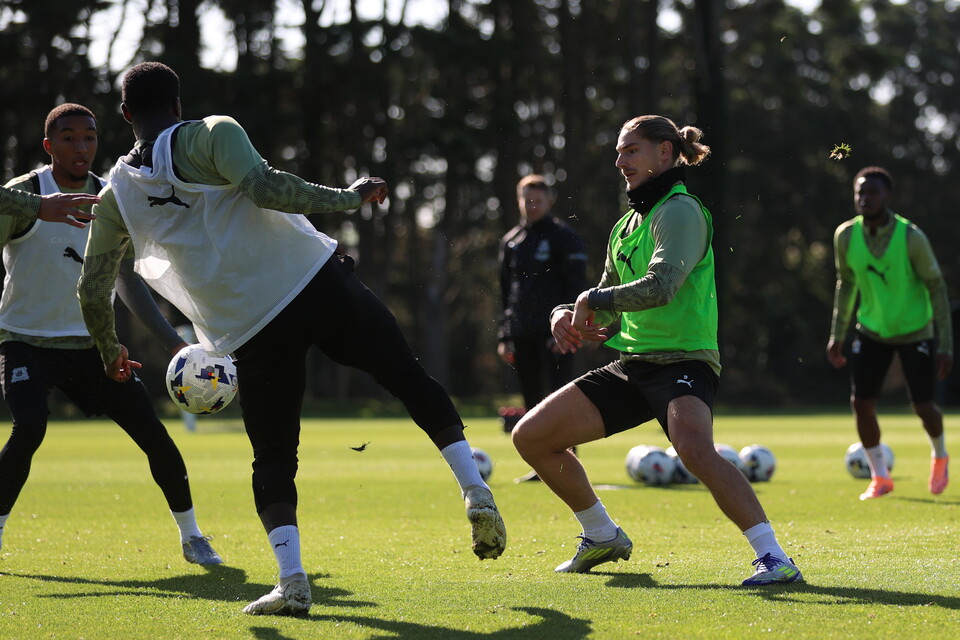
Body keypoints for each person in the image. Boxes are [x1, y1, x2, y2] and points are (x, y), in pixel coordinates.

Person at [77, 62, 506, 617]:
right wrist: (347, 197)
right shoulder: (212, 132)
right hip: (315, 281)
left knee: (274, 456)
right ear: (177, 104)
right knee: (408, 377)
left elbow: (94, 289)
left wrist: (110, 348)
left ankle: (293, 580)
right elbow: (267, 188)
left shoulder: (115, 197)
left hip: (252, 327)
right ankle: (474, 490)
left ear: (126, 115)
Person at [511, 115, 802, 586]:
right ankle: (601, 534)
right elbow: (606, 298)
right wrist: (564, 313)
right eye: (619, 152)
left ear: (664, 153)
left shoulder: (680, 210)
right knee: (531, 437)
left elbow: (662, 286)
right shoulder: (627, 223)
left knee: (694, 449)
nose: (620, 160)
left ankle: (774, 558)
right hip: (634, 364)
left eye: (631, 150)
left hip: (684, 359)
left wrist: (593, 301)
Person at [0, 103, 221, 565]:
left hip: (94, 349)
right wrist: (40, 210)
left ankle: (193, 536)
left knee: (154, 435)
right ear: (48, 145)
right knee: (30, 427)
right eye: (68, 138)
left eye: (89, 138)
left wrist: (174, 345)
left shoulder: (112, 200)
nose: (81, 147)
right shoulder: (24, 195)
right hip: (25, 342)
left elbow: (126, 281)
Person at [827, 166, 952, 500]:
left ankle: (940, 455)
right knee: (861, 403)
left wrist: (945, 344)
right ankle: (880, 477)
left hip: (915, 332)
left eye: (873, 193)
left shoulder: (911, 237)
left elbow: (936, 287)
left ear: (888, 197)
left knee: (924, 406)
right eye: (860, 193)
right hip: (871, 330)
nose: (865, 199)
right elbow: (847, 283)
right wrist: (837, 334)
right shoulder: (846, 235)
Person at [497, 174, 586, 481]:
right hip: (521, 332)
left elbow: (576, 287)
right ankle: (542, 466)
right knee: (532, 403)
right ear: (519, 200)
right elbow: (505, 292)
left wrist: (567, 328)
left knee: (563, 399)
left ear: (550, 201)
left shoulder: (566, 238)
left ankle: (572, 465)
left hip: (557, 333)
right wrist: (504, 334)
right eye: (526, 199)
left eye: (537, 200)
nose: (531, 205)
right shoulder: (511, 241)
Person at [0, 182, 99, 226]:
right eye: (68, 138)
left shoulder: (107, 190)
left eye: (89, 138)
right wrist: (39, 205)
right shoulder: (21, 186)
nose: (81, 149)